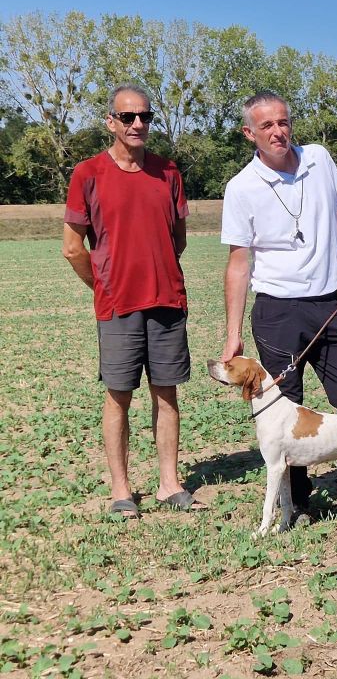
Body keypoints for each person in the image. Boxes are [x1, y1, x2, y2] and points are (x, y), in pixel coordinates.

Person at [220, 91, 337, 521]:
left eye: (283, 122)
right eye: (266, 125)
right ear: (250, 133)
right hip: (278, 310)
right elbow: (237, 263)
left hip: (330, 303)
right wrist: (233, 334)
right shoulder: (241, 187)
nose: (278, 131)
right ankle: (298, 500)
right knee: (286, 405)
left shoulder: (319, 159)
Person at [63, 84, 200, 518]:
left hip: (166, 301)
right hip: (118, 307)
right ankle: (121, 490)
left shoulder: (169, 172)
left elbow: (177, 239)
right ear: (111, 122)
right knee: (118, 395)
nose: (138, 124)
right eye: (128, 117)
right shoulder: (88, 174)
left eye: (145, 116)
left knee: (167, 394)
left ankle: (169, 483)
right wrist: (103, 285)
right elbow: (72, 247)